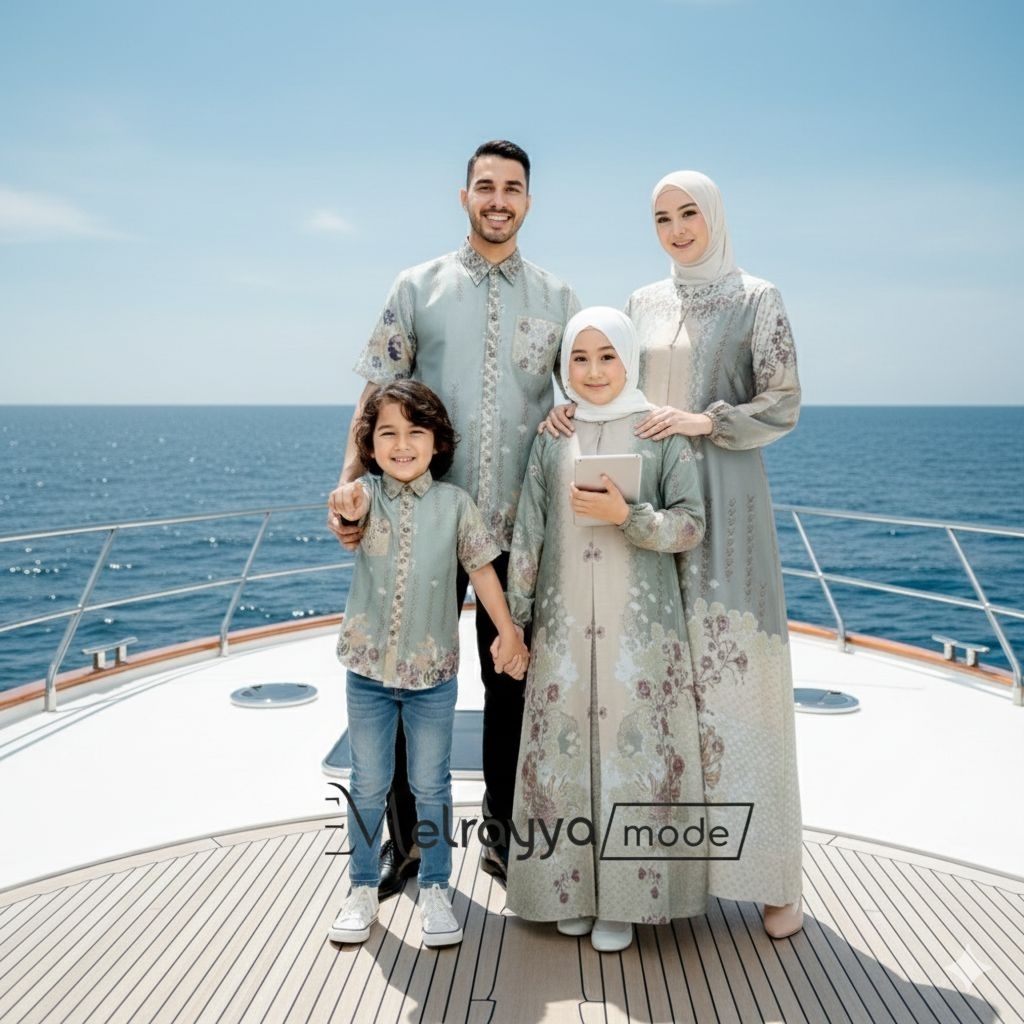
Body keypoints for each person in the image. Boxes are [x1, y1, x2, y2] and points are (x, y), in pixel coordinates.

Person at [543, 171, 804, 939]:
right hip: (647, 505)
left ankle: (772, 880)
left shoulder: (759, 298)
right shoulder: (642, 302)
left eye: (690, 213)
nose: (678, 228)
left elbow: (783, 402)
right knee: (659, 691)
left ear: (715, 214)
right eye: (662, 217)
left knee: (740, 687)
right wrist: (567, 411)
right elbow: (611, 382)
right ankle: (662, 874)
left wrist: (702, 421)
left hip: (727, 499)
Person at [327, 140, 579, 896]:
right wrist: (348, 487)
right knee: (403, 683)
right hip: (419, 522)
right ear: (464, 196)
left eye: (513, 188)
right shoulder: (417, 286)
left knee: (510, 682)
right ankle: (405, 845)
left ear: (529, 200)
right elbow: (375, 396)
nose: (499, 200)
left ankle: (501, 838)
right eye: (486, 186)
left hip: (518, 527)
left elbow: (585, 393)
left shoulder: (559, 298)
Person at [505, 306, 707, 954]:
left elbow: (692, 525)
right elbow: (528, 533)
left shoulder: (658, 432)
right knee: (564, 755)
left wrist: (631, 516)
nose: (594, 371)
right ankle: (566, 890)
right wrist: (517, 620)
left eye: (607, 356)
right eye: (580, 358)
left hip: (638, 637)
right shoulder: (553, 435)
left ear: (629, 359)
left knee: (632, 754)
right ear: (565, 367)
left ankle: (624, 901)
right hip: (564, 632)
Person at [327, 380, 529, 948]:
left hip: (432, 680)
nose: (401, 445)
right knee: (367, 783)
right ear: (370, 444)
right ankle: (361, 888)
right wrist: (344, 500)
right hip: (367, 675)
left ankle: (437, 889)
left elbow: (483, 572)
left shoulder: (455, 505)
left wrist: (509, 632)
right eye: (387, 433)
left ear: (437, 442)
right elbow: (346, 504)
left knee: (431, 784)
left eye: (415, 432)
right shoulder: (366, 495)